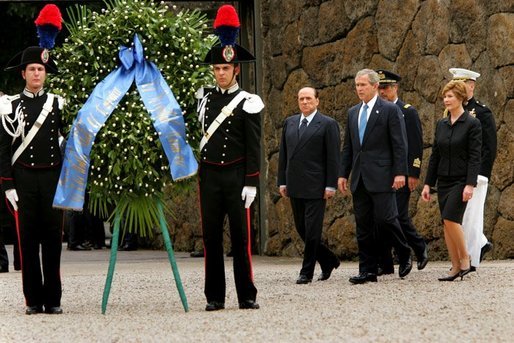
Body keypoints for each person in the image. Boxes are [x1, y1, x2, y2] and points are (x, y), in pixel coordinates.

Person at [196, 4, 264, 311]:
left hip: (237, 176)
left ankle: (246, 295)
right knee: (211, 241)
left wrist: (251, 181)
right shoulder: (203, 98)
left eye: (226, 68)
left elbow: (254, 145)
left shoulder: (249, 102)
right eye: (217, 69)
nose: (221, 73)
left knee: (241, 240)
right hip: (209, 177)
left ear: (236, 69)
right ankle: (214, 297)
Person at [0, 45, 65, 314]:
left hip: (52, 178)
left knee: (52, 240)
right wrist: (7, 184)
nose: (37, 74)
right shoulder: (9, 105)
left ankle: (53, 300)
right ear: (23, 74)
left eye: (41, 69)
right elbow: (3, 148)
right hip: (24, 180)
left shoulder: (59, 103)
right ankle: (33, 300)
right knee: (26, 241)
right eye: (32, 69)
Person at [338, 68, 412, 284]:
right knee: (363, 225)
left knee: (386, 218)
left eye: (363, 85)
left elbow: (400, 144)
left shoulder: (389, 110)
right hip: (360, 177)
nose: (359, 89)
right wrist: (343, 174)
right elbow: (348, 148)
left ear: (375, 86)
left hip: (383, 175)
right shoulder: (353, 112)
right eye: (357, 85)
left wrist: (400, 172)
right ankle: (367, 270)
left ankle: (404, 250)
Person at [277, 87, 341, 284]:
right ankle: (328, 259)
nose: (304, 102)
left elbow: (333, 157)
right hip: (295, 184)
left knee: (312, 230)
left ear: (317, 101)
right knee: (302, 229)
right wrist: (282, 181)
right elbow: (284, 156)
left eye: (308, 98)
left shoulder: (328, 124)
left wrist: (331, 185)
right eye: (301, 99)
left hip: (316, 185)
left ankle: (306, 272)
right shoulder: (290, 122)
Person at [421, 80, 482, 281]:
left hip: (461, 181)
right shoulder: (441, 124)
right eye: (445, 96)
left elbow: (475, 156)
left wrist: (470, 184)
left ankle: (466, 258)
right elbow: (435, 155)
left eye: (450, 96)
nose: (446, 100)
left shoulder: (472, 123)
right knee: (447, 223)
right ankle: (455, 265)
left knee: (451, 218)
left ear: (461, 98)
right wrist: (428, 184)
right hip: (444, 181)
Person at [375, 70, 428, 275]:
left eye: (386, 88)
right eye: (379, 88)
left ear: (395, 88)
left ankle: (418, 246)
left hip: (402, 173)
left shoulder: (407, 111)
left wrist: (412, 172)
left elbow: (415, 144)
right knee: (382, 218)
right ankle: (386, 262)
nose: (382, 92)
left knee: (398, 216)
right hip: (382, 173)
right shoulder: (376, 111)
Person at [449, 68, 497, 270]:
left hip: (475, 173)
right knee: (461, 215)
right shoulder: (451, 111)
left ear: (471, 85)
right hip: (457, 171)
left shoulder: (482, 111)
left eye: (462, 84)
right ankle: (481, 244)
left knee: (471, 216)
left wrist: (481, 174)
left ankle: (471, 259)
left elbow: (489, 147)